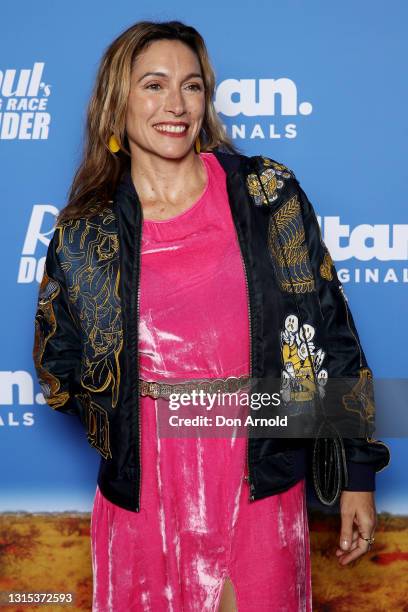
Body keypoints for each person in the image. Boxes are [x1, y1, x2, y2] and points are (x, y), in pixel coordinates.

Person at [32, 20, 390, 611]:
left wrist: (356, 472)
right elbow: (56, 360)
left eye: (191, 86)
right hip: (147, 486)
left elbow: (330, 333)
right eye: (154, 85)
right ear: (117, 103)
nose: (175, 105)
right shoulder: (85, 230)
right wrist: (133, 419)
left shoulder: (266, 195)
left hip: (258, 471)